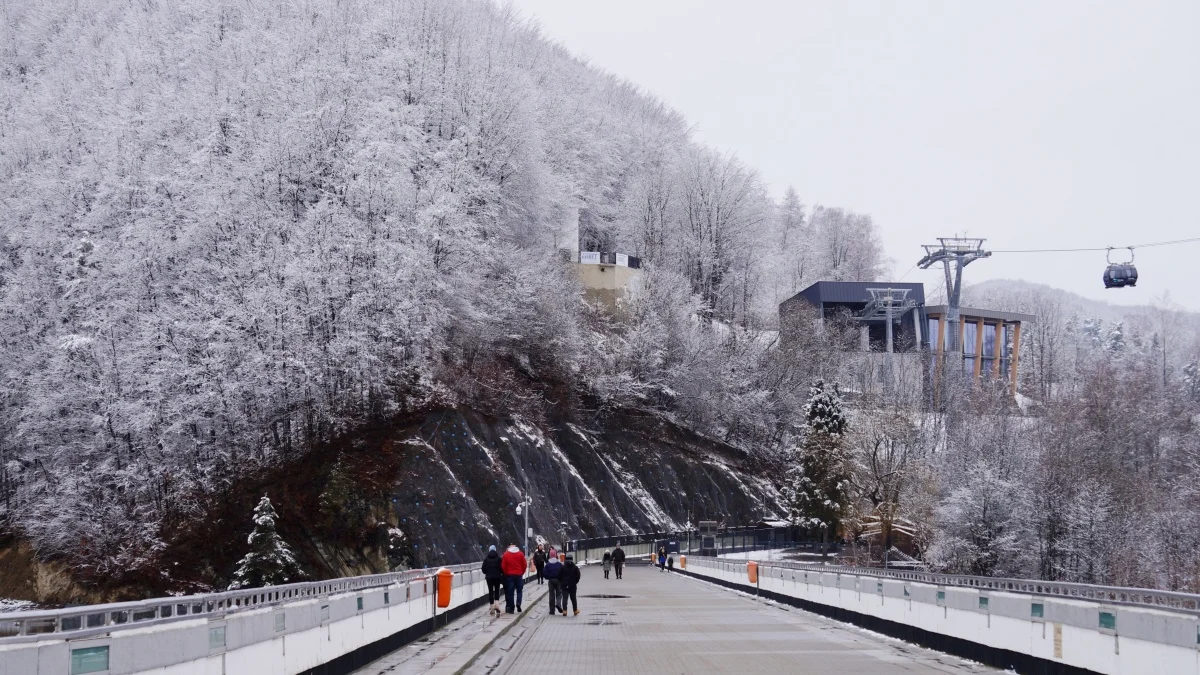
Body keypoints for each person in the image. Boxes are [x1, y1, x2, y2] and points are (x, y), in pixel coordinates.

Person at [500, 543, 527, 614]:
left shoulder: (506, 554)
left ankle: (512, 608)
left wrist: (506, 573)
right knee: (519, 590)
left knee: (510, 592)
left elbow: (503, 566)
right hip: (519, 575)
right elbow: (524, 565)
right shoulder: (521, 554)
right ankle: (518, 603)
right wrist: (522, 572)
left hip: (510, 575)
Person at [481, 545, 504, 616]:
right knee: (497, 590)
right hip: (497, 577)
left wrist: (487, 573)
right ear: (495, 550)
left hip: (489, 578)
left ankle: (491, 607)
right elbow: (502, 568)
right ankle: (497, 604)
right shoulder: (499, 559)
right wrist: (500, 573)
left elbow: (483, 569)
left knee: (490, 591)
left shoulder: (486, 559)